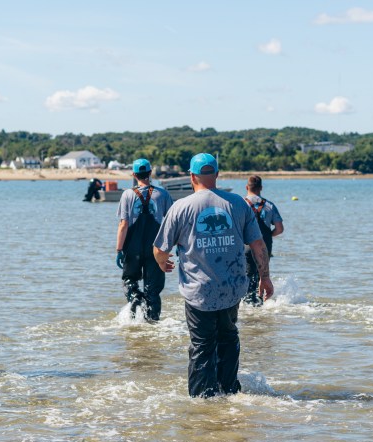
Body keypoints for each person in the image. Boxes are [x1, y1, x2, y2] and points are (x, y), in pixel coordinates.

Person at [153, 153, 274, 397]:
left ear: (191, 176)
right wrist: (265, 277)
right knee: (229, 338)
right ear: (217, 174)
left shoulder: (181, 207)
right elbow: (259, 245)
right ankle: (229, 391)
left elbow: (159, 249)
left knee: (201, 345)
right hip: (232, 289)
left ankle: (202, 402)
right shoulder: (239, 204)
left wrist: (162, 264)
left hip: (199, 291)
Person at [116, 158, 173, 321]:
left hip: (132, 249)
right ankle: (152, 322)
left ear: (134, 174)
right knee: (153, 290)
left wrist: (119, 250)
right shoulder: (163, 194)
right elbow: (171, 223)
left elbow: (123, 225)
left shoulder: (127, 195)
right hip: (155, 249)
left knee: (129, 280)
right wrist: (171, 248)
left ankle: (135, 299)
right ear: (150, 173)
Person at [243, 175, 284, 306]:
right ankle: (259, 301)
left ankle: (247, 302)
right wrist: (268, 236)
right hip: (265, 246)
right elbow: (279, 228)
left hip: (246, 245)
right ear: (261, 188)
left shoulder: (241, 204)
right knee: (262, 273)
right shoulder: (270, 205)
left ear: (246, 187)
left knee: (247, 273)